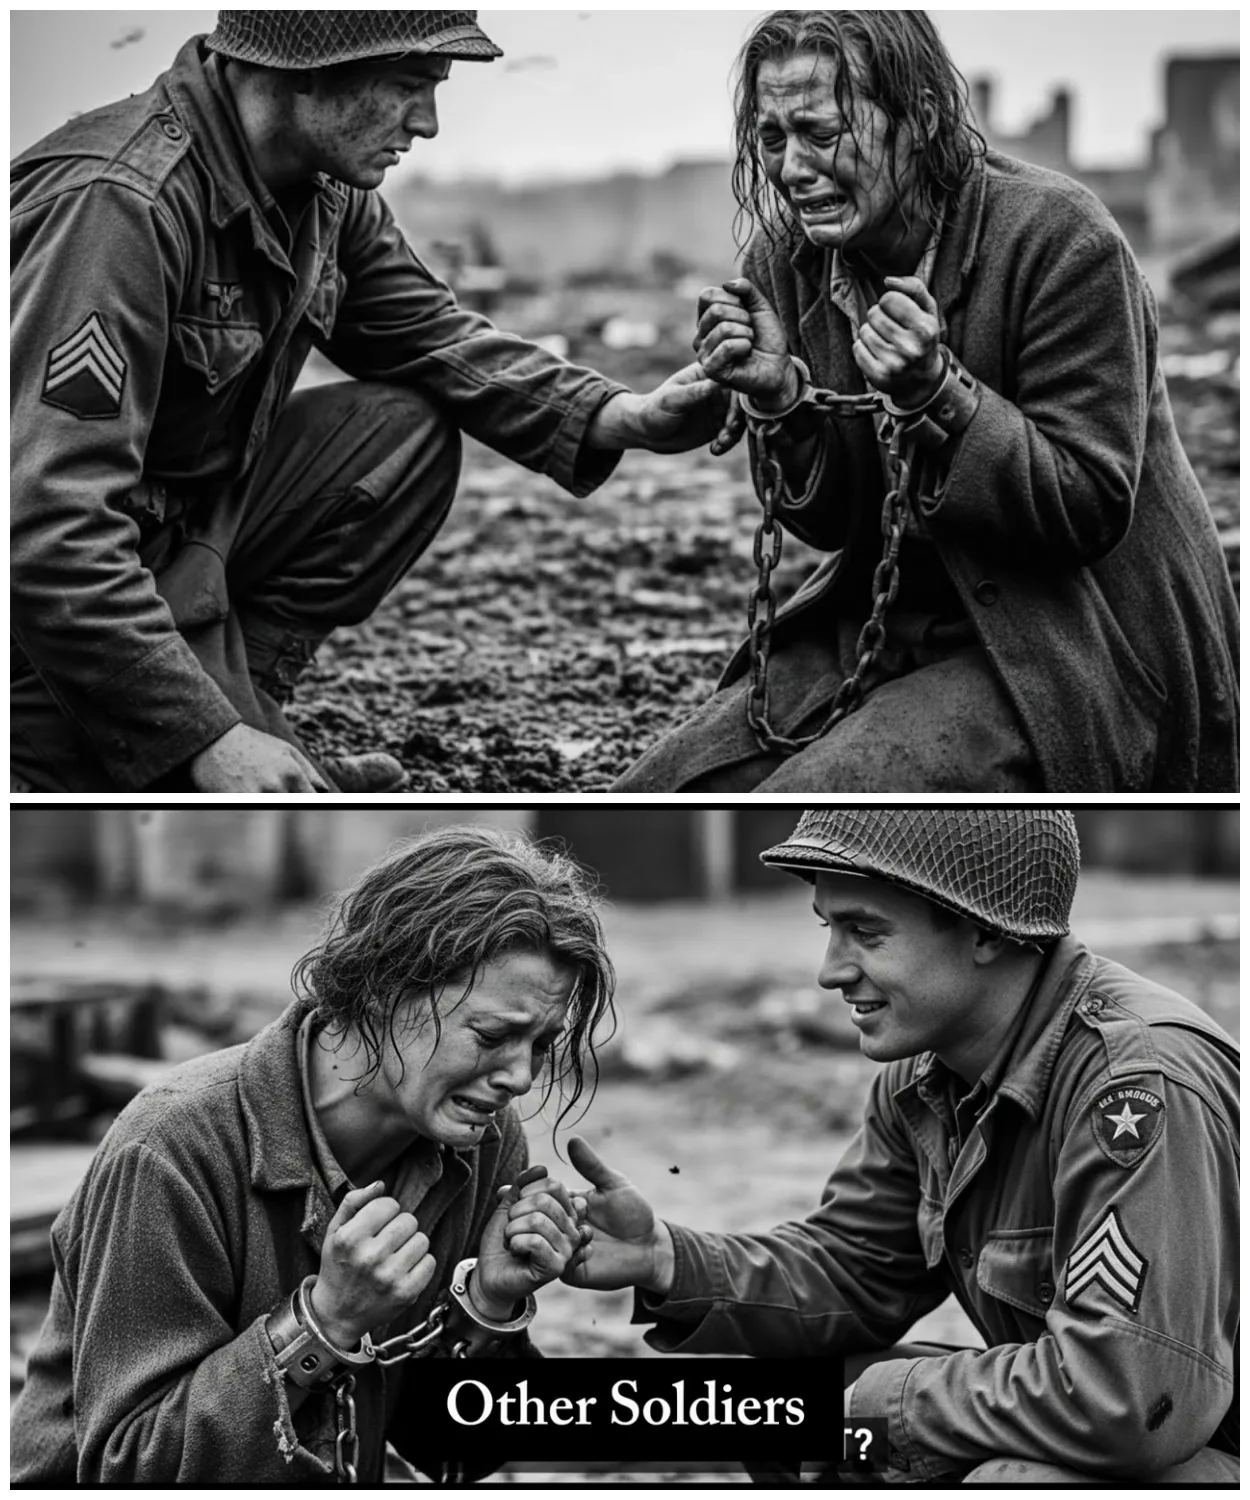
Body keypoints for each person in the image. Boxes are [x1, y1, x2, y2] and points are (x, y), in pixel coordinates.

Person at [10, 10, 728, 793]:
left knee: (398, 433)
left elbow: (427, 332)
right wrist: (199, 737)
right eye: (407, 87)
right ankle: (210, 734)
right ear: (304, 69)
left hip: (169, 540)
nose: (427, 122)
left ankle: (250, 710)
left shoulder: (317, 187)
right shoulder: (120, 206)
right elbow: (46, 524)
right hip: (41, 603)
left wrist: (622, 414)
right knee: (63, 772)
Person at [615, 10, 1239, 793]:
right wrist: (779, 402)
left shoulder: (1062, 240)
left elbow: (1088, 506)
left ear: (922, 117)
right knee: (659, 790)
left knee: (807, 802)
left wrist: (940, 397)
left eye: (821, 132)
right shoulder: (789, 259)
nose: (792, 169)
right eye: (772, 139)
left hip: (1075, 643)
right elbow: (828, 522)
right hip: (892, 623)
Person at [563, 809, 1240, 1483]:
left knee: (1013, 1480)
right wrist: (664, 1259)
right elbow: (855, 1271)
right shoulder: (927, 1075)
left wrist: (885, 1407)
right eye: (830, 929)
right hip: (1137, 1426)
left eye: (865, 933)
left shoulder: (1133, 1083)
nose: (831, 972)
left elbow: (1132, 1400)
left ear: (983, 930)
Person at [10, 825, 615, 1484]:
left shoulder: (480, 1142)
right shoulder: (170, 1148)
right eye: (493, 1035)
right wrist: (323, 1321)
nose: (521, 1077)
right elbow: (129, 1470)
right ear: (385, 988)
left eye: (541, 1044)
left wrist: (488, 1307)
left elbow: (451, 1455)